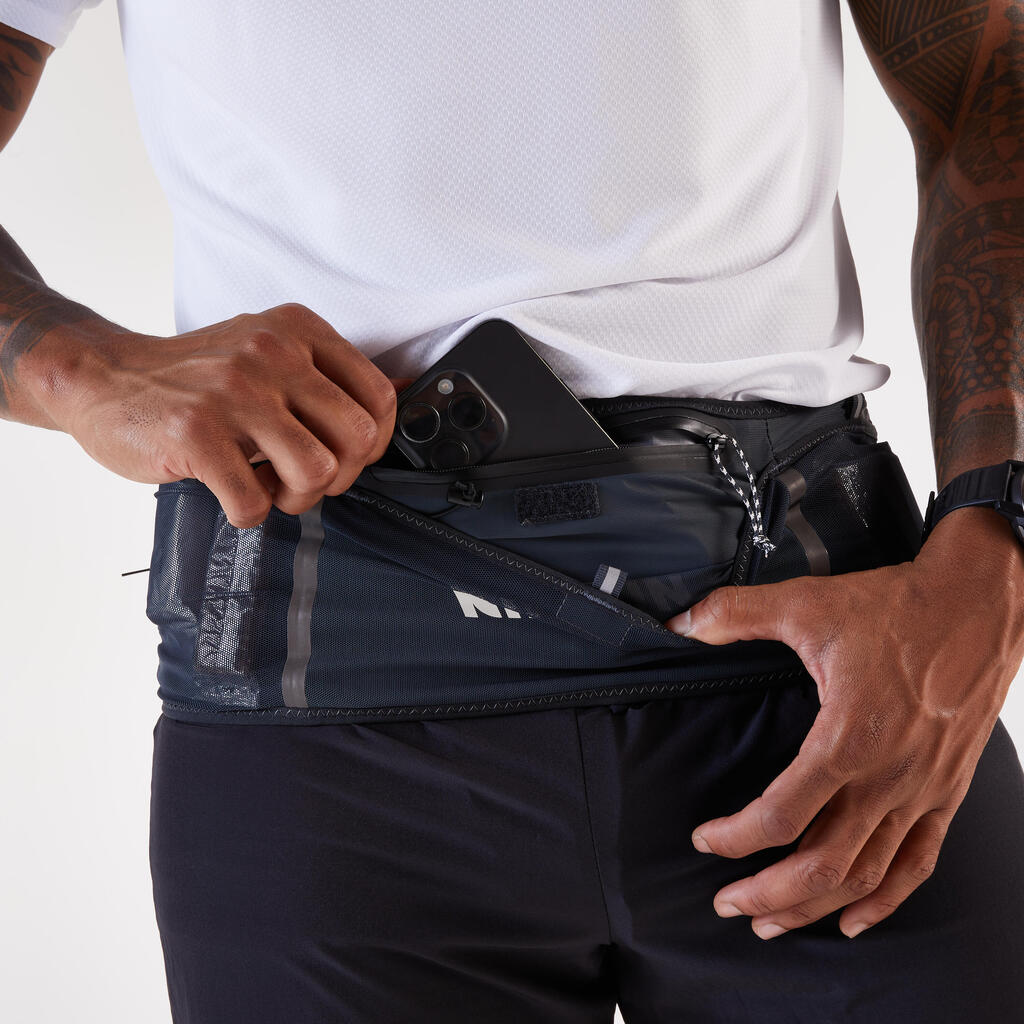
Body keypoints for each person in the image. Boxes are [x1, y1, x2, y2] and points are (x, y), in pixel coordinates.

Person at [1, 2, 1023, 1021]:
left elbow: (992, 79)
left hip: (833, 683)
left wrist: (996, 544)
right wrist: (77, 371)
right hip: (324, 704)